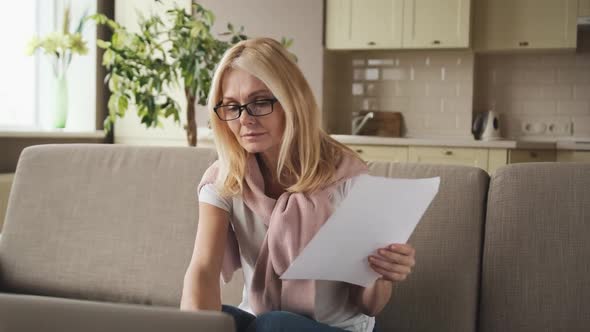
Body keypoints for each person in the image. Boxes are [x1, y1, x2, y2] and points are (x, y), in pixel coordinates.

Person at [180, 37, 416, 332]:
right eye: (231, 107)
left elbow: (369, 305)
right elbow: (202, 270)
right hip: (261, 324)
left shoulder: (348, 179)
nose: (245, 119)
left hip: (338, 328)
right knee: (215, 318)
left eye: (260, 102)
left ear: (292, 100)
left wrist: (384, 274)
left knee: (273, 323)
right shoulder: (223, 179)